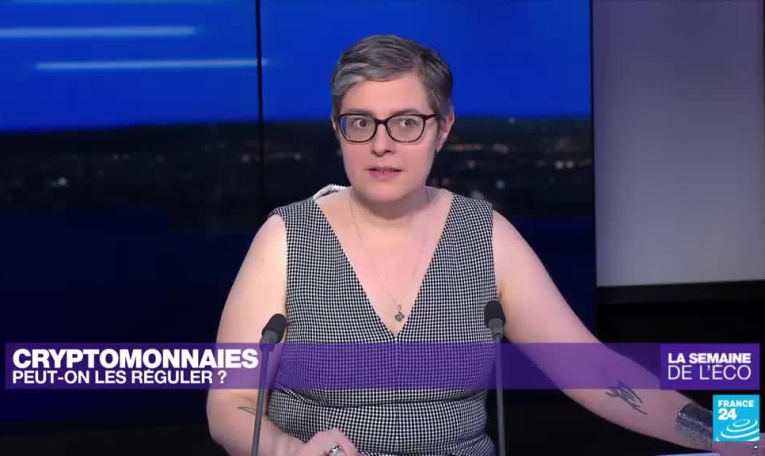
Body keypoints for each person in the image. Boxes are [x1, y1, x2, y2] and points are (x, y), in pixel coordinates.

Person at [206, 34, 761, 456]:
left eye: (406, 123)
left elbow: (592, 370)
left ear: (443, 129)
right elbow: (231, 403)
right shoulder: (287, 238)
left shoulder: (484, 236)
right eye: (361, 123)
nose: (381, 144)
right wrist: (289, 451)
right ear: (337, 129)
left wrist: (741, 436)